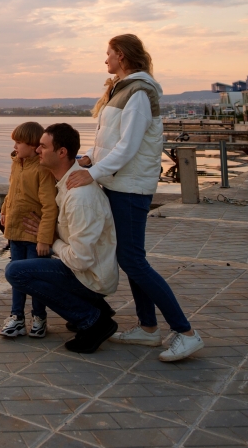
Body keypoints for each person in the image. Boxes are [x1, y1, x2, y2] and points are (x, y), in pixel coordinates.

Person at [65, 34, 205, 362]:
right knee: (132, 258)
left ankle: (185, 332)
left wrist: (93, 173)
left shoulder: (140, 91)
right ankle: (147, 328)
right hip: (119, 183)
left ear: (123, 56)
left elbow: (128, 146)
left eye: (109, 54)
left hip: (130, 186)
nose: (106, 60)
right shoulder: (123, 88)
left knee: (133, 260)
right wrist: (90, 157)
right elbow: (111, 140)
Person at [4, 123, 120, 354]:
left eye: (43, 147)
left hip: (90, 276)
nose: (37, 151)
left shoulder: (80, 197)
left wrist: (49, 239)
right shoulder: (67, 183)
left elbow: (80, 259)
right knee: (30, 268)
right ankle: (96, 308)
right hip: (88, 271)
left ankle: (93, 320)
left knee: (16, 272)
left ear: (62, 152)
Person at [0, 122, 58, 339]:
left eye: (18, 142)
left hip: (34, 236)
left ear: (33, 146)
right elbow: (11, 191)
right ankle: (17, 317)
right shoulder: (16, 164)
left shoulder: (42, 170)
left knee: (35, 280)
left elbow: (50, 206)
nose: (15, 146)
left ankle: (39, 318)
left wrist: (44, 240)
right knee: (16, 277)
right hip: (15, 233)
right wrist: (5, 209)